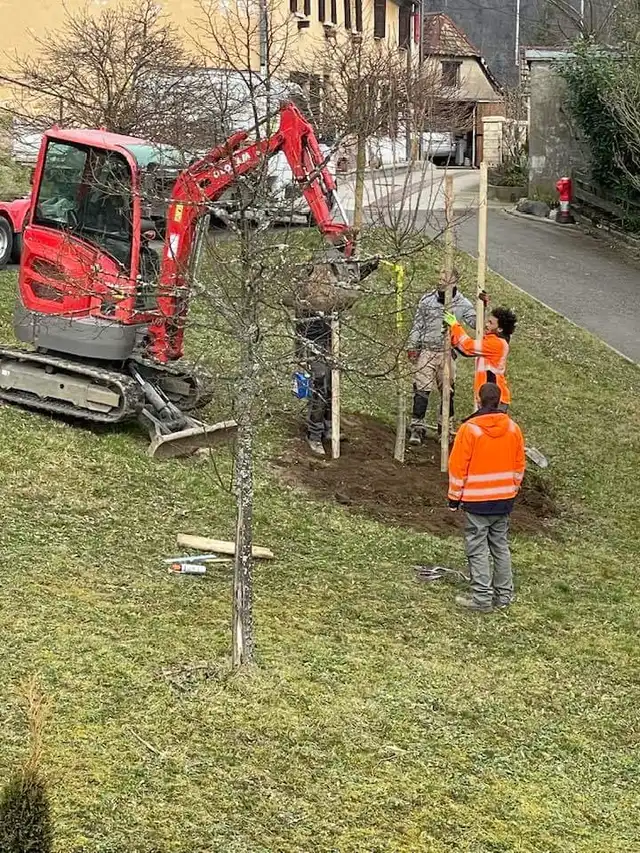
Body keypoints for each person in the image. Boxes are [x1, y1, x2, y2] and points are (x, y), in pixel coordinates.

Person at [447, 382, 526, 613]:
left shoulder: (470, 430)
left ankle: (482, 598)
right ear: (500, 401)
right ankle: (504, 595)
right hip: (504, 499)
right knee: (500, 546)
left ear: (478, 400)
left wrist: (454, 497)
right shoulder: (513, 428)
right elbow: (520, 464)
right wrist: (513, 488)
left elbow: (458, 466)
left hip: (477, 500)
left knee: (477, 547)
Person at [407, 268, 484, 444]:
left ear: (455, 281)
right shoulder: (427, 300)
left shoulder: (462, 304)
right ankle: (417, 428)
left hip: (447, 353)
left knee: (447, 391)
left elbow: (476, 323)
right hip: (427, 350)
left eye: (445, 277)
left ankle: (445, 428)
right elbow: (418, 325)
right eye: (439, 276)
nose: (440, 280)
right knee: (421, 389)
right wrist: (413, 346)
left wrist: (483, 307)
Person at [443, 306, 517, 411]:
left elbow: (468, 346)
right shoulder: (493, 341)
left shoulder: (496, 344)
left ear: (500, 329)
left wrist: (455, 325)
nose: (486, 324)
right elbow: (466, 351)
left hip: (494, 398)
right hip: (489, 397)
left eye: (491, 323)